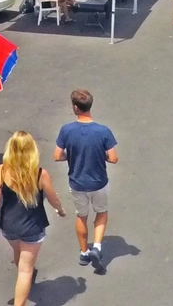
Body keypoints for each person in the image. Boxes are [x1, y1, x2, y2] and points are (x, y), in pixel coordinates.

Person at [0, 131, 67, 306]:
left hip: (9, 226)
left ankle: (24, 276)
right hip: (32, 228)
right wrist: (60, 210)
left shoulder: (1, 171)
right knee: (25, 271)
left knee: (18, 252)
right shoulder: (40, 174)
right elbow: (53, 198)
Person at [54, 90, 118, 275]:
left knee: (81, 216)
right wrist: (100, 154)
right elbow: (113, 158)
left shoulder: (66, 130)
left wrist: (72, 154)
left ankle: (84, 253)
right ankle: (97, 247)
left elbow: (57, 156)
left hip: (77, 183)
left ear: (75, 107)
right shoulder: (103, 131)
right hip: (99, 182)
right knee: (101, 213)